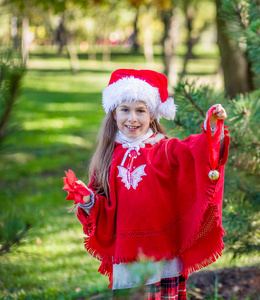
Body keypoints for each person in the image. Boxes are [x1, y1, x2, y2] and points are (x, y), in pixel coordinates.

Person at [71, 69, 229, 299]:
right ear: (114, 113)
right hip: (127, 255)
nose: (132, 118)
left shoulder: (165, 149)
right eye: (125, 110)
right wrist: (88, 200)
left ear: (153, 115)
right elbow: (103, 211)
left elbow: (198, 152)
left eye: (140, 111)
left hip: (163, 253)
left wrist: (212, 129)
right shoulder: (107, 157)